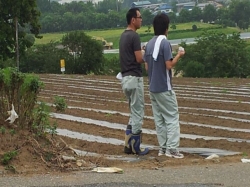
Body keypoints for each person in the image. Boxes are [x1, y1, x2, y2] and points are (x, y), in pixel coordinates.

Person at [143, 13, 185, 158]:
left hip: (152, 88)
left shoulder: (148, 44)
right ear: (166, 28)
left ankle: (163, 148)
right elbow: (169, 65)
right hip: (164, 88)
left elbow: (147, 68)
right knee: (172, 117)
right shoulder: (165, 43)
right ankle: (172, 149)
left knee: (159, 119)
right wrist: (179, 55)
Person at [119, 8, 149, 155]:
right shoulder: (134, 36)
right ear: (133, 20)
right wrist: (146, 54)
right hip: (135, 78)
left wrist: (141, 50)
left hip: (125, 79)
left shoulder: (123, 36)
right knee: (138, 112)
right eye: (139, 17)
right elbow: (138, 59)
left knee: (132, 111)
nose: (141, 19)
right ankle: (136, 147)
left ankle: (127, 144)